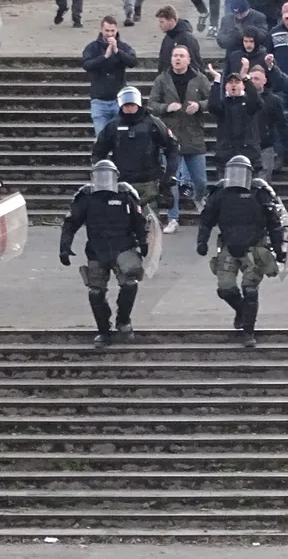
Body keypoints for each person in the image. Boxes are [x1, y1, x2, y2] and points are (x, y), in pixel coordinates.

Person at [196, 156, 288, 348]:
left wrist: (280, 249)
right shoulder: (220, 193)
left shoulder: (259, 193)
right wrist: (201, 241)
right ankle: (241, 310)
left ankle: (248, 331)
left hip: (254, 248)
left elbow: (275, 223)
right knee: (225, 288)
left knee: (250, 289)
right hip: (230, 245)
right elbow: (206, 219)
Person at [60, 160, 151, 349]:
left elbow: (139, 221)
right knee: (95, 292)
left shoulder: (126, 194)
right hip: (97, 249)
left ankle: (123, 319)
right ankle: (103, 330)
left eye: (107, 176)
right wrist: (64, 247)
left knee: (129, 284)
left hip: (123, 247)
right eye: (99, 177)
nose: (103, 181)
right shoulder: (86, 197)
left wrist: (144, 242)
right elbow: (71, 223)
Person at [91, 86, 179, 230]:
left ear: (138, 104)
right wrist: (103, 176)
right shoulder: (113, 126)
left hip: (149, 183)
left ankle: (152, 252)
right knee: (122, 227)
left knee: (151, 227)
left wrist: (169, 175)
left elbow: (172, 147)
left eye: (132, 105)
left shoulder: (153, 123)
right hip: (122, 184)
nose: (129, 108)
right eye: (126, 105)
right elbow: (99, 152)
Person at [148, 45, 214, 227]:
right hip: (170, 136)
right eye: (175, 55)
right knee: (171, 182)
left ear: (188, 59)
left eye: (181, 56)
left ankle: (198, 198)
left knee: (200, 180)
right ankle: (173, 217)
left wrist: (199, 105)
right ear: (171, 59)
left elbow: (213, 100)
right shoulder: (162, 79)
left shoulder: (199, 78)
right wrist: (165, 108)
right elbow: (151, 104)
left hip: (194, 135)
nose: (178, 59)